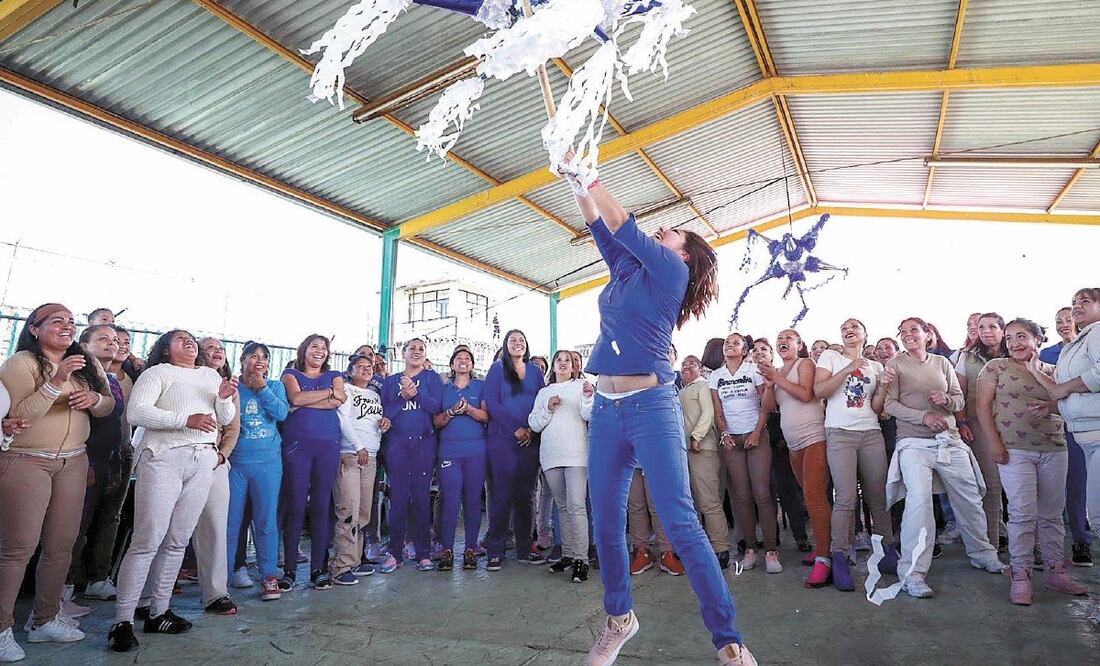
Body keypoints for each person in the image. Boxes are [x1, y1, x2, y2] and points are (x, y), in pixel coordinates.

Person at [564, 170, 755, 666]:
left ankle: (729, 642)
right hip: (607, 411)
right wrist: (576, 183)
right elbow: (599, 226)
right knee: (606, 522)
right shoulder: (626, 271)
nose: (664, 229)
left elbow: (621, 223)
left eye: (675, 231)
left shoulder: (672, 272)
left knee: (681, 521)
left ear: (685, 254)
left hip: (652, 407)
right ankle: (619, 619)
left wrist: (592, 175)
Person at [109, 329, 236, 651]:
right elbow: (137, 412)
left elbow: (223, 418)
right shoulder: (157, 373)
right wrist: (185, 419)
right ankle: (122, 620)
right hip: (163, 457)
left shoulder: (210, 375)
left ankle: (159, 612)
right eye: (180, 339)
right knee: (147, 539)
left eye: (191, 338)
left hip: (202, 459)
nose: (189, 341)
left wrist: (223, 398)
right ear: (165, 349)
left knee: (178, 540)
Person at [0, 304, 115, 660]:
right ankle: (1, 629)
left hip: (74, 460)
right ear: (34, 329)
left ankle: (45, 620)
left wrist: (95, 399)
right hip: (27, 460)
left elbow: (109, 405)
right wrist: (57, 381)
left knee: (61, 545)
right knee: (18, 548)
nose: (67, 326)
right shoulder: (21, 363)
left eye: (70, 321)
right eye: (56, 321)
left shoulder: (86, 361)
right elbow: (18, 415)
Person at [884, 317, 1004, 600]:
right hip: (913, 442)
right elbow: (889, 404)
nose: (908, 334)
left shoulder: (942, 363)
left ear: (928, 335)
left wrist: (947, 401)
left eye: (914, 330)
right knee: (919, 502)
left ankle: (983, 553)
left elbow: (959, 399)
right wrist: (923, 416)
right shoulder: (895, 364)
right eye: (903, 331)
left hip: (949, 440)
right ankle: (912, 574)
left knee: (969, 496)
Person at [975, 319, 1087, 605]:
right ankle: (1021, 573)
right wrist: (994, 443)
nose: (1015, 343)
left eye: (1022, 336)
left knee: (1052, 514)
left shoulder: (1055, 370)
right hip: (1014, 450)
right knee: (1022, 514)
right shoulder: (995, 367)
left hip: (1054, 448)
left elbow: (1067, 403)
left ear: (1037, 339)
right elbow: (982, 407)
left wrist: (1044, 392)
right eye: (1010, 338)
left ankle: (1055, 571)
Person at [813, 318, 896, 591]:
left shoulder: (875, 366)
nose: (849, 330)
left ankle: (887, 550)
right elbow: (819, 391)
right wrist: (848, 368)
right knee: (846, 497)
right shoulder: (831, 357)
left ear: (864, 334)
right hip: (839, 433)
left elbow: (877, 407)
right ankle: (839, 555)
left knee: (878, 496)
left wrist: (882, 386)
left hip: (870, 433)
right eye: (844, 328)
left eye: (855, 327)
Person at [1027, 288, 1100, 560]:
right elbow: (1059, 390)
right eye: (1074, 302)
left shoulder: (1097, 332)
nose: (1077, 306)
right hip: (1083, 435)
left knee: (1098, 514)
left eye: (1085, 301)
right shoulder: (1074, 346)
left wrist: (1064, 389)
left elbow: (1070, 386)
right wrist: (1035, 371)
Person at [760, 329, 831, 587]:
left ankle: (824, 558)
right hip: (794, 444)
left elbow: (806, 394)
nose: (782, 341)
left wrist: (777, 378)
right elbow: (768, 407)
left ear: (799, 345)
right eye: (779, 338)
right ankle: (825, 546)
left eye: (788, 338)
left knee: (815, 497)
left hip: (814, 438)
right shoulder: (777, 373)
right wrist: (770, 385)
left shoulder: (805, 363)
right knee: (810, 498)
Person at [64, 325, 125, 615]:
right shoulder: (78, 375)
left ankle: (96, 579)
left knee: (105, 520)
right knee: (75, 526)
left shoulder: (110, 378)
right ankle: (61, 590)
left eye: (114, 340)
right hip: (85, 458)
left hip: (111, 459)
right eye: (103, 339)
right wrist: (84, 460)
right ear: (84, 344)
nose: (112, 344)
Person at [279, 334, 345, 591]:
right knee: (295, 505)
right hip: (297, 447)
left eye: (324, 348)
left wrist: (309, 399)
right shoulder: (290, 374)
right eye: (314, 346)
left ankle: (319, 568)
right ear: (304, 350)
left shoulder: (335, 375)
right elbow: (295, 399)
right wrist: (327, 395)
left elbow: (340, 399)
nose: (320, 351)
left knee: (321, 505)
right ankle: (289, 569)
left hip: (328, 446)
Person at [226, 341, 289, 602]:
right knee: (230, 522)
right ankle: (221, 581)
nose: (259, 360)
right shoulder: (232, 387)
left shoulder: (275, 386)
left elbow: (281, 413)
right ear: (242, 360)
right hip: (236, 465)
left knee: (266, 521)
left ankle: (269, 576)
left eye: (264, 357)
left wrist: (262, 388)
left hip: (268, 465)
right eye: (253, 356)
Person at [183, 336, 240, 616]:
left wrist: (221, 456)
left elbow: (232, 428)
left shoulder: (229, 386)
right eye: (210, 348)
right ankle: (148, 597)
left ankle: (216, 593)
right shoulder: (183, 378)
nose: (217, 352)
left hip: (214, 461)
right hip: (179, 458)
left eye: (221, 349)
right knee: (165, 527)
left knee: (215, 527)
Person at [483, 329, 546, 570]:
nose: (518, 343)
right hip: (502, 441)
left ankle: (524, 548)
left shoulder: (535, 371)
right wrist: (515, 429)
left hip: (529, 441)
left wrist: (531, 430)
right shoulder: (497, 369)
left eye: (521, 340)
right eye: (513, 340)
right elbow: (492, 403)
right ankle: (495, 551)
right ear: (505, 345)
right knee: (502, 496)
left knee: (526, 496)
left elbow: (541, 402)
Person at [529, 350, 594, 582]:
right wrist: (548, 408)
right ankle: (567, 554)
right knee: (562, 506)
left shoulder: (582, 386)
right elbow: (534, 424)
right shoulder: (544, 392)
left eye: (568, 360)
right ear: (553, 366)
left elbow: (589, 414)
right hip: (551, 456)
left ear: (574, 367)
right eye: (559, 360)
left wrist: (588, 397)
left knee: (576, 505)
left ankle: (581, 559)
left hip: (576, 456)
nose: (564, 363)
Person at [379, 338, 443, 572]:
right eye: (412, 348)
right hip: (397, 444)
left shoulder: (431, 378)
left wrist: (415, 394)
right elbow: (385, 412)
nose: (416, 352)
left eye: (421, 349)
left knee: (421, 499)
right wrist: (402, 397)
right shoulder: (391, 381)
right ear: (403, 353)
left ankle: (422, 552)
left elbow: (436, 407)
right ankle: (395, 552)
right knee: (397, 500)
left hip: (424, 444)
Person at [332, 354, 390, 584]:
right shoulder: (346, 390)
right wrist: (358, 446)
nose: (366, 369)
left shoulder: (374, 395)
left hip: (371, 456)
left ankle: (355, 559)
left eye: (369, 367)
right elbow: (343, 420)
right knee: (348, 511)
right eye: (361, 366)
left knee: (364, 512)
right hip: (349, 455)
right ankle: (341, 566)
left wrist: (384, 425)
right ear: (350, 370)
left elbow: (370, 423)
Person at [955, 313, 1009, 548]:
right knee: (991, 484)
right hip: (979, 426)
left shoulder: (1014, 352)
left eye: (992, 326)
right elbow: (959, 393)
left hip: (1015, 426)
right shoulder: (966, 357)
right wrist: (962, 423)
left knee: (1019, 485)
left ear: (1002, 330)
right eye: (981, 327)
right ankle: (991, 544)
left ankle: (1029, 545)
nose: (986, 331)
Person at [433, 347, 488, 572]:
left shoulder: (480, 387)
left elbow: (486, 416)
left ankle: (470, 549)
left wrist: (470, 410)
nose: (463, 361)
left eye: (467, 358)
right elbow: (436, 421)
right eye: (459, 358)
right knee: (450, 500)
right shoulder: (443, 389)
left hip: (476, 452)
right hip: (449, 452)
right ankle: (447, 549)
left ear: (472, 365)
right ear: (452, 364)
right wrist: (451, 412)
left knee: (473, 500)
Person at [678, 355, 728, 568]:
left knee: (709, 501)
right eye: (683, 364)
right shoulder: (680, 391)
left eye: (692, 364)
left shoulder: (703, 386)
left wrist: (696, 437)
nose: (687, 367)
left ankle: (720, 548)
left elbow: (708, 413)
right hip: (683, 453)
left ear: (700, 368)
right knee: (690, 504)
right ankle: (697, 548)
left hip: (702, 450)